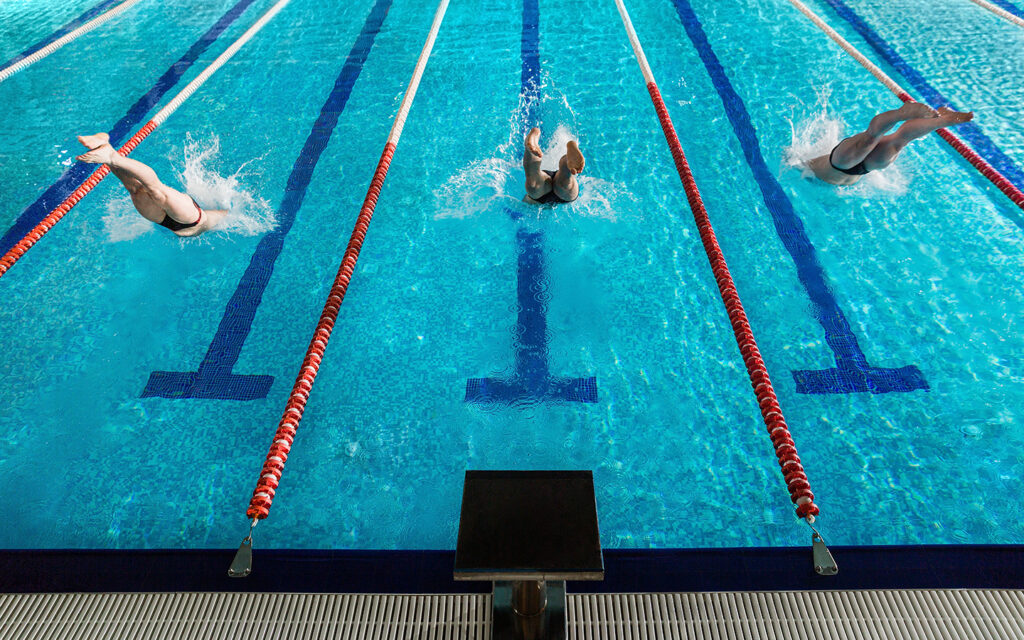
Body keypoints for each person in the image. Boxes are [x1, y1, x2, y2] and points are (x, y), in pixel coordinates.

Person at [75, 132, 227, 236]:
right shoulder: (227, 217)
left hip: (182, 220)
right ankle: (111, 156)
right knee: (151, 190)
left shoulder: (222, 214)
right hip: (186, 222)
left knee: (139, 189)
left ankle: (105, 148)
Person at [807, 103, 973, 186]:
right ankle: (938, 118)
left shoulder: (803, 170)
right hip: (852, 165)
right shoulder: (805, 167)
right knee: (877, 137)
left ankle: (914, 115)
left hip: (852, 166)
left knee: (892, 139)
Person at [522, 127, 585, 204]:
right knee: (533, 181)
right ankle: (567, 160)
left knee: (533, 181)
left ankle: (530, 150)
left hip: (540, 196)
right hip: (551, 196)